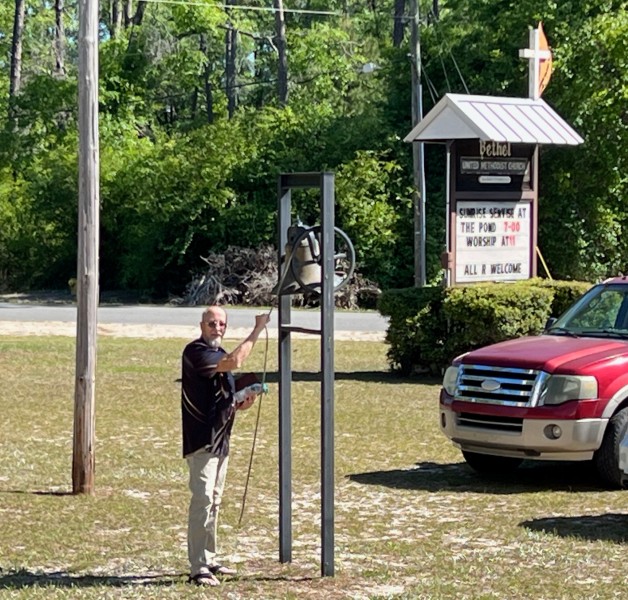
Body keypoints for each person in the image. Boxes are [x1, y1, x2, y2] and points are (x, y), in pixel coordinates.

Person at [181, 305, 270, 587]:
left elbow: (224, 396)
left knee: (215, 502)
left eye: (221, 324)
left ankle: (209, 558)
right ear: (201, 326)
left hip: (221, 441)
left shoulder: (218, 353)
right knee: (203, 501)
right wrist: (257, 329)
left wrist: (242, 401)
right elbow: (235, 361)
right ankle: (197, 567)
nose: (217, 328)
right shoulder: (196, 351)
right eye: (212, 323)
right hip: (202, 441)